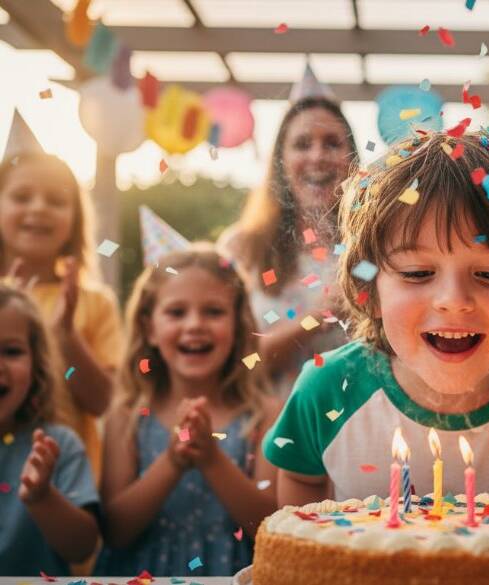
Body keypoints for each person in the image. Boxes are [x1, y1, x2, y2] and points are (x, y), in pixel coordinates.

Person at [263, 129, 489, 506]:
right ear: (368, 290)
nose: (454, 301)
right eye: (417, 273)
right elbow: (300, 479)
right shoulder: (326, 390)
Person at [95, 246, 281, 576]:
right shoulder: (125, 415)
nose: (195, 325)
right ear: (149, 327)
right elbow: (115, 532)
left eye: (213, 311)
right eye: (176, 312)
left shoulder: (267, 415)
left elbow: (269, 529)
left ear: (238, 326)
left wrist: (211, 459)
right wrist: (172, 462)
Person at [218, 97, 358, 397]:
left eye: (333, 143)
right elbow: (228, 367)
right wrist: (316, 320)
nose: (318, 156)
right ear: (281, 161)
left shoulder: (375, 249)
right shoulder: (243, 249)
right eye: (302, 144)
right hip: (266, 433)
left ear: (352, 158)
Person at [0, 153, 123, 479]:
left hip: (67, 482)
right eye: (21, 197)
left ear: (75, 220)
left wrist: (65, 337)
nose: (38, 207)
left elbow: (103, 403)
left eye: (56, 200)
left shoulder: (95, 302)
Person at [0, 284, 100, 576]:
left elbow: (82, 547)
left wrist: (42, 497)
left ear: (38, 364)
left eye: (11, 351)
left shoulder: (56, 445)